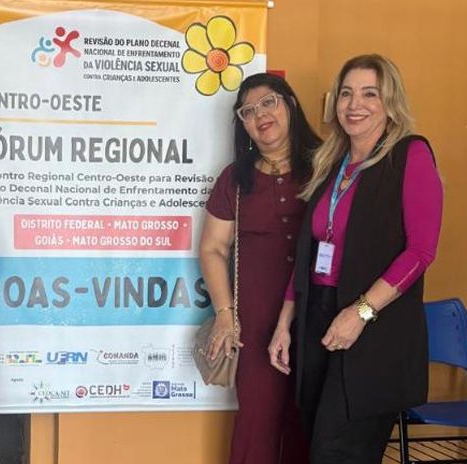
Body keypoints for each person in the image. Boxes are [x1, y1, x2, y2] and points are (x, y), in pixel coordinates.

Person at [268, 54, 443, 463]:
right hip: (317, 320)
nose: (354, 104)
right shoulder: (332, 163)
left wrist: (361, 312)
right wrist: (284, 324)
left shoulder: (410, 155)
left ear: (390, 102)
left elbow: (421, 252)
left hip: (373, 329)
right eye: (346, 93)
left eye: (369, 94)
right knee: (315, 442)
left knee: (336, 451)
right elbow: (309, 253)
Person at [200, 73, 321, 464]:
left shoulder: (327, 166)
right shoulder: (235, 179)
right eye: (248, 111)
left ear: (290, 104)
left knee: (314, 420)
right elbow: (213, 248)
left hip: (321, 314)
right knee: (258, 423)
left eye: (268, 102)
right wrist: (225, 314)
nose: (260, 115)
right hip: (254, 324)